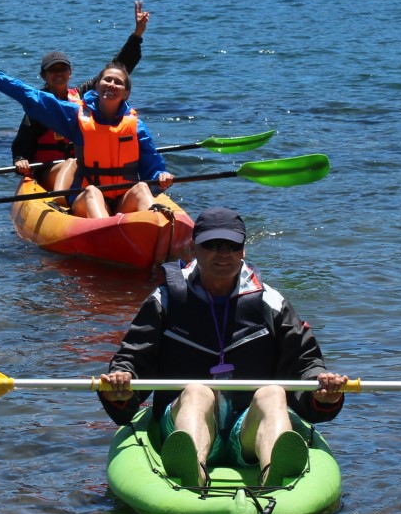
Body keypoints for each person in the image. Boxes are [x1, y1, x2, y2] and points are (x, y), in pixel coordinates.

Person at [96, 207, 348, 487]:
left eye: (231, 246)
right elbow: (132, 356)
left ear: (243, 250)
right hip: (186, 419)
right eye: (212, 245)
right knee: (196, 390)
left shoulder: (271, 302)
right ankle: (194, 470)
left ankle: (273, 474)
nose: (223, 253)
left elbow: (305, 361)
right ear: (193, 248)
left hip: (248, 431)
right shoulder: (165, 300)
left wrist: (321, 390)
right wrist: (121, 378)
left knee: (273, 392)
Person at [0, 38, 173, 219]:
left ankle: (156, 229)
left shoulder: (136, 126)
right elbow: (32, 97)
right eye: (107, 80)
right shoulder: (76, 117)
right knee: (93, 191)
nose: (111, 84)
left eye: (118, 82)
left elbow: (152, 166)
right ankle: (103, 231)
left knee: (141, 188)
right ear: (98, 85)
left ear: (126, 92)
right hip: (87, 196)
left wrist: (160, 177)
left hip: (123, 196)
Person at [10, 2, 149, 191]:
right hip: (48, 171)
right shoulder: (38, 107)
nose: (59, 73)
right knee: (70, 164)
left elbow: (117, 68)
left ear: (70, 72)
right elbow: (22, 145)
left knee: (75, 165)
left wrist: (137, 35)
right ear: (44, 76)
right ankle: (62, 199)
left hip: (85, 169)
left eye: (63, 69)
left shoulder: (86, 94)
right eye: (53, 70)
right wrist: (20, 161)